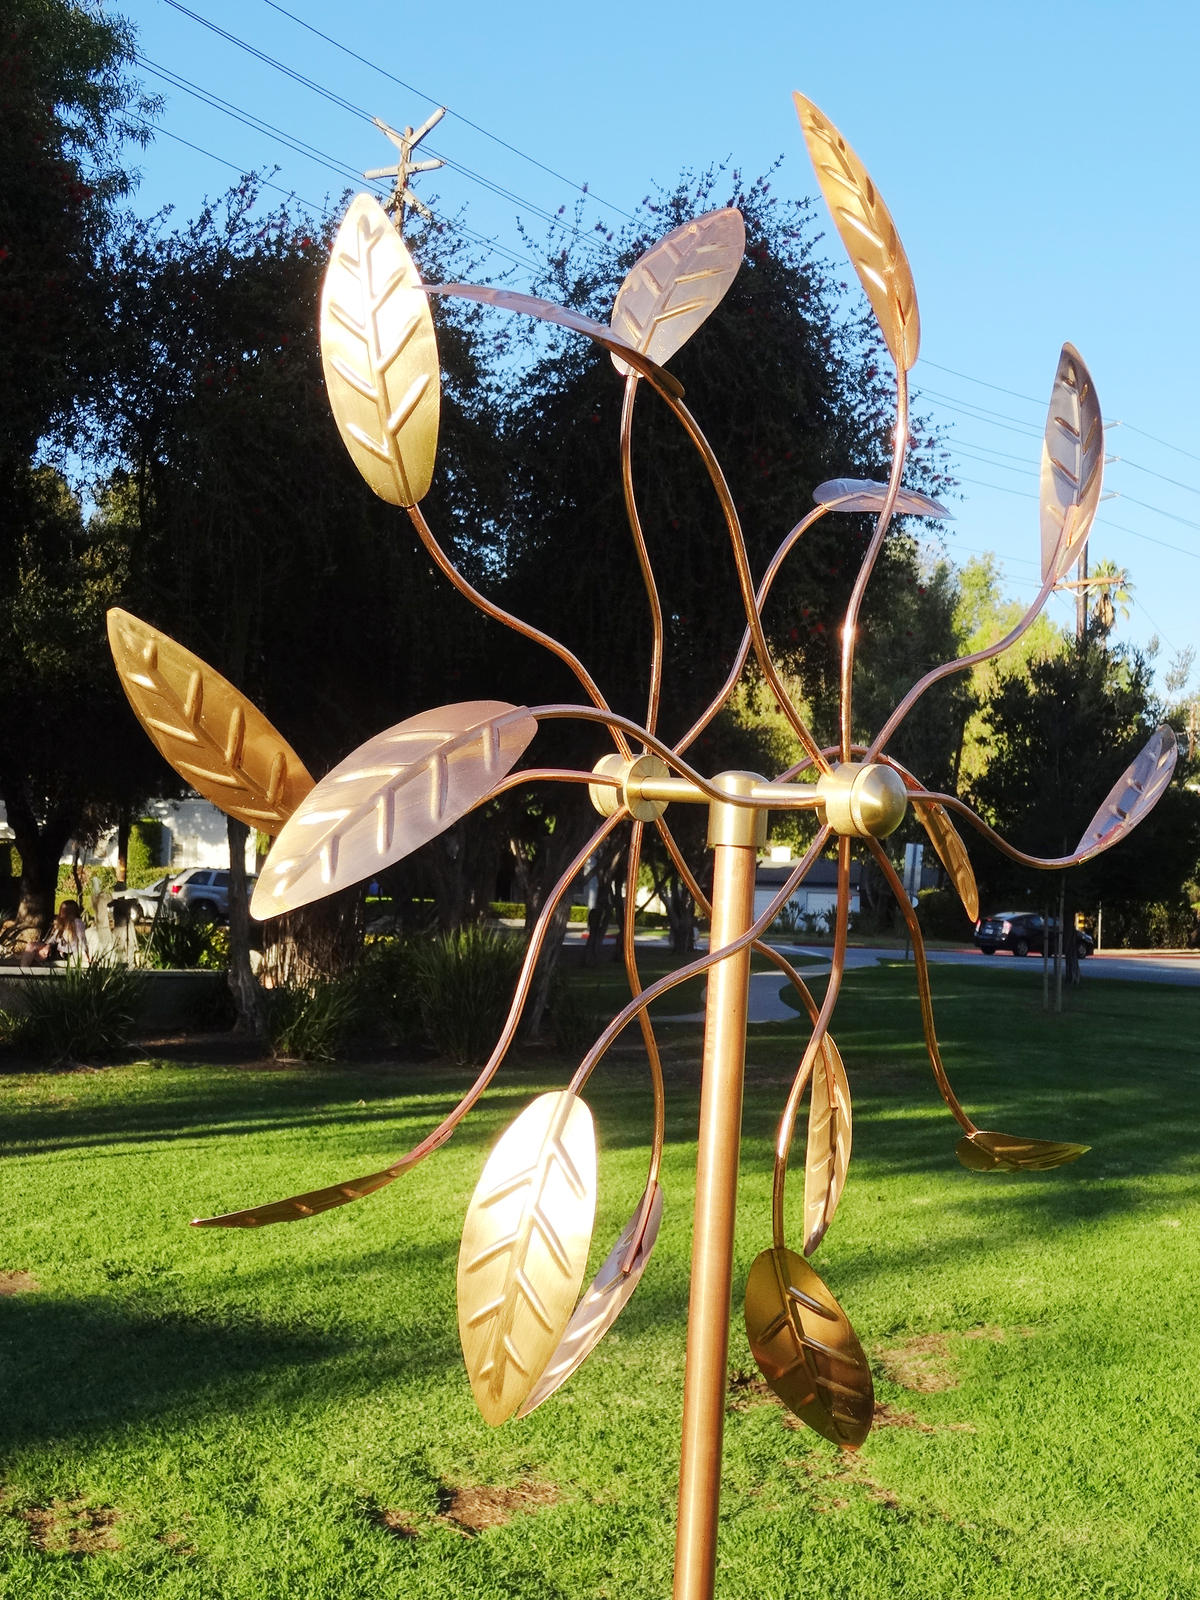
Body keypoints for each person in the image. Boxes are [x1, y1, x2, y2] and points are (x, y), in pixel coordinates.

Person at [20, 900, 89, 967]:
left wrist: (84, 954)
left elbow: (82, 940)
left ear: (70, 911)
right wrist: (48, 946)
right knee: (31, 946)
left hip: (67, 953)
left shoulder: (77, 923)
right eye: (61, 908)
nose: (62, 911)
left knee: (35, 954)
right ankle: (23, 970)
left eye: (65, 909)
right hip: (56, 950)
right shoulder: (61, 922)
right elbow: (54, 938)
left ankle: (26, 972)